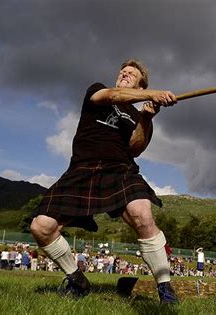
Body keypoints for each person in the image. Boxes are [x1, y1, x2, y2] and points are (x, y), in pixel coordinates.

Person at [30, 59, 178, 303]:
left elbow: (135, 147)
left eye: (131, 74)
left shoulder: (136, 112)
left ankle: (165, 288)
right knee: (41, 227)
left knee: (141, 212)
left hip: (120, 169)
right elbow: (112, 94)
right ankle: (77, 279)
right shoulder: (99, 90)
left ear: (140, 87)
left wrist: (146, 118)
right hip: (83, 168)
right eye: (123, 72)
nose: (124, 74)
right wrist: (156, 93)